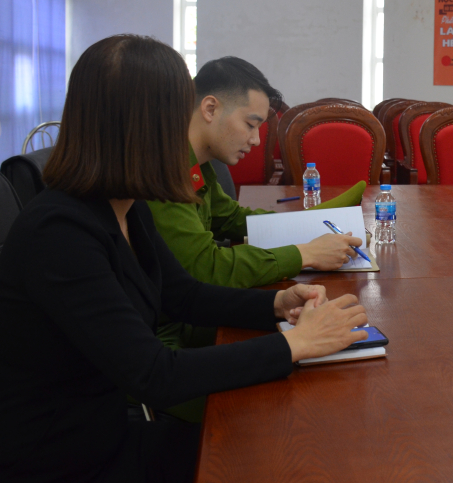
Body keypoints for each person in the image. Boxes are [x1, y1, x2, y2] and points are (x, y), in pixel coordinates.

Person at [0, 36, 369, 483]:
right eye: (174, 116)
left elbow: (180, 293)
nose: (182, 132)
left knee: (284, 449)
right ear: (139, 126)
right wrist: (296, 344)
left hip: (100, 437)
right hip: (47, 460)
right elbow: (153, 374)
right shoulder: (59, 232)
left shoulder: (127, 204)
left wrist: (277, 305)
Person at [147, 57, 362, 352]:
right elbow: (206, 267)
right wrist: (306, 253)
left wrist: (304, 227)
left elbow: (230, 217)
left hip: (189, 316)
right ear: (210, 109)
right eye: (251, 124)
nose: (257, 141)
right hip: (166, 334)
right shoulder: (164, 168)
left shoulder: (194, 160)